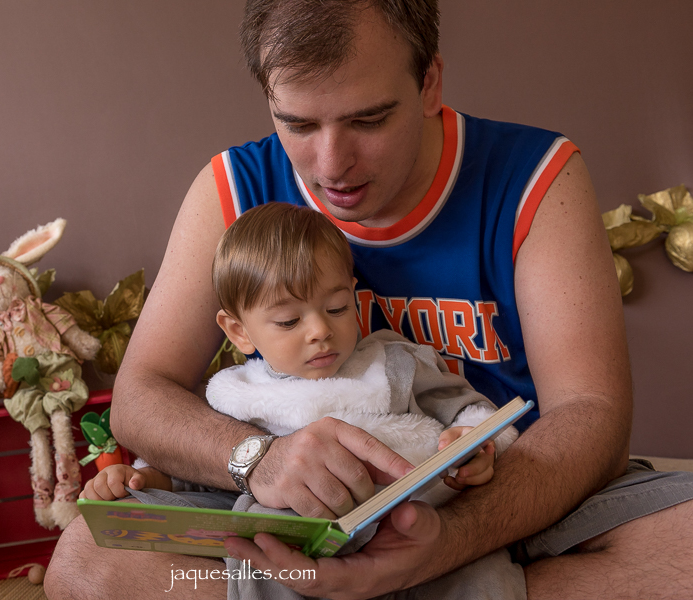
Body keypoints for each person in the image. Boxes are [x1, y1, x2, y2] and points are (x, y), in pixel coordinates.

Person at [45, 1, 693, 598]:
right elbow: (139, 395)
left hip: (496, 501)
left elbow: (591, 413)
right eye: (296, 124)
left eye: (368, 119)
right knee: (85, 564)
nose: (330, 165)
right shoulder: (231, 187)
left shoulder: (535, 175)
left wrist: (453, 538)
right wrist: (257, 460)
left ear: (429, 82)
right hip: (290, 517)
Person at [83, 204, 522, 597]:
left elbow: (467, 409)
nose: (319, 331)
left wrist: (473, 443)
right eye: (289, 320)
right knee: (258, 557)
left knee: (484, 573)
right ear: (239, 331)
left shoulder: (392, 362)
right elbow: (198, 477)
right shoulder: (237, 394)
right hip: (302, 551)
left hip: (416, 522)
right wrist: (145, 480)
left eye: (336, 308)